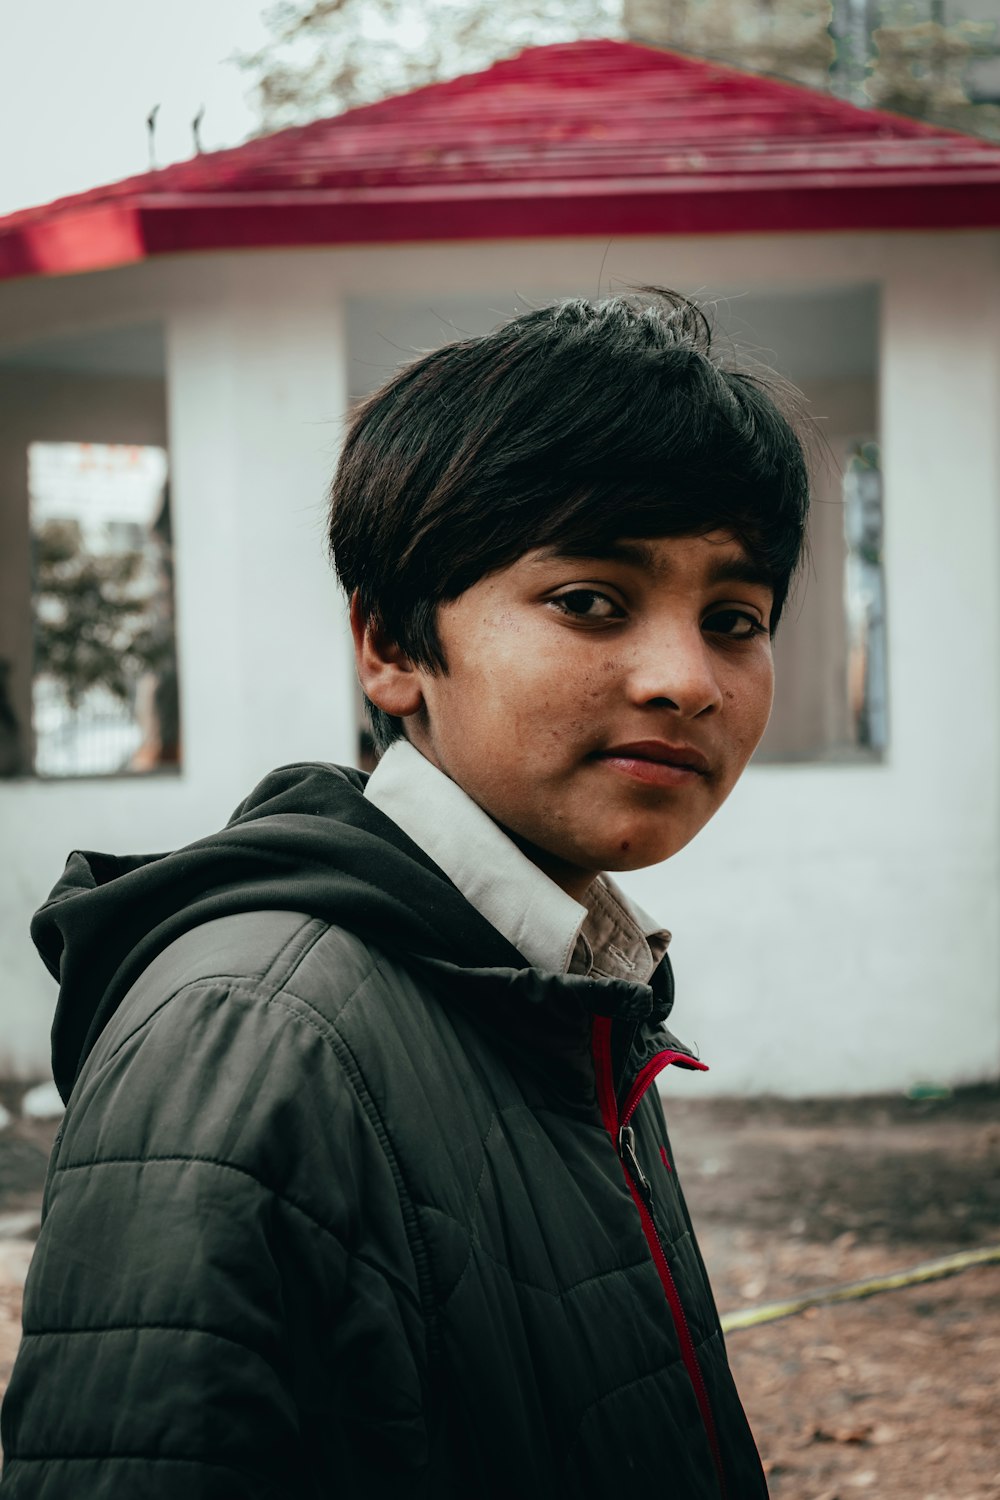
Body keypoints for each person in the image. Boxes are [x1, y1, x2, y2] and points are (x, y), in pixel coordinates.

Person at [1, 291, 809, 1498]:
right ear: (388, 646)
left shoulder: (556, 977)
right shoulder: (258, 1034)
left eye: (733, 618)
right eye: (591, 600)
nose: (685, 679)